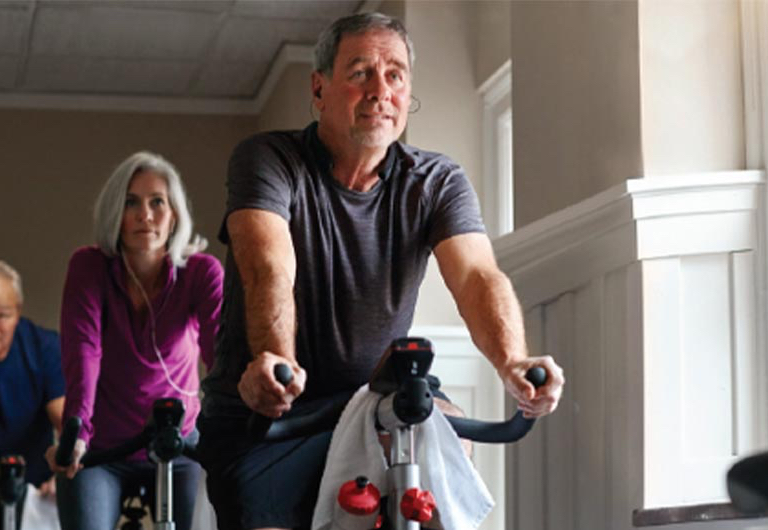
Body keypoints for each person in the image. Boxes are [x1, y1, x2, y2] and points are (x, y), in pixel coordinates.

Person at [198, 12, 565, 530]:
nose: (380, 91)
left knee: (451, 433)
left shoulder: (436, 180)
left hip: (371, 401)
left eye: (395, 75)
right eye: (360, 73)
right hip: (269, 411)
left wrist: (513, 362)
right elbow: (267, 266)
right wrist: (273, 359)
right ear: (320, 88)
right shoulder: (268, 159)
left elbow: (477, 276)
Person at [45, 152, 224, 530]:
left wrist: (233, 422)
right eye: (131, 202)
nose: (145, 215)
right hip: (103, 446)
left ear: (173, 214)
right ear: (116, 213)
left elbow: (218, 350)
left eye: (157, 201)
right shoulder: (89, 267)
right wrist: (77, 430)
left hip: (180, 443)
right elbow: (83, 351)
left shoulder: (200, 272)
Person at [0, 261, 64, 530]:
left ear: (18, 311)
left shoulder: (44, 347)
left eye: (2, 314)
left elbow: (67, 423)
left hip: (34, 487)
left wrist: (62, 476)